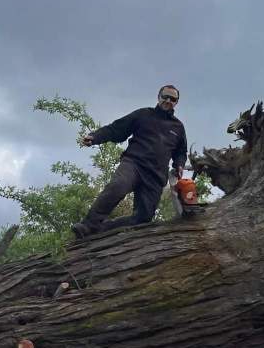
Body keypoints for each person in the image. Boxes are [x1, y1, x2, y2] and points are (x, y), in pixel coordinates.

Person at [71, 84, 187, 238]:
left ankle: (102, 230)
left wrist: (179, 164)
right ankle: (88, 225)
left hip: (156, 175)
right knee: (117, 186)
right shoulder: (143, 115)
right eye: (165, 97)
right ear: (158, 97)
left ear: (176, 102)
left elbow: (181, 152)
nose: (168, 101)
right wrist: (95, 136)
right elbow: (116, 129)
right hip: (134, 164)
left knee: (143, 219)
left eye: (172, 99)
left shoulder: (178, 127)